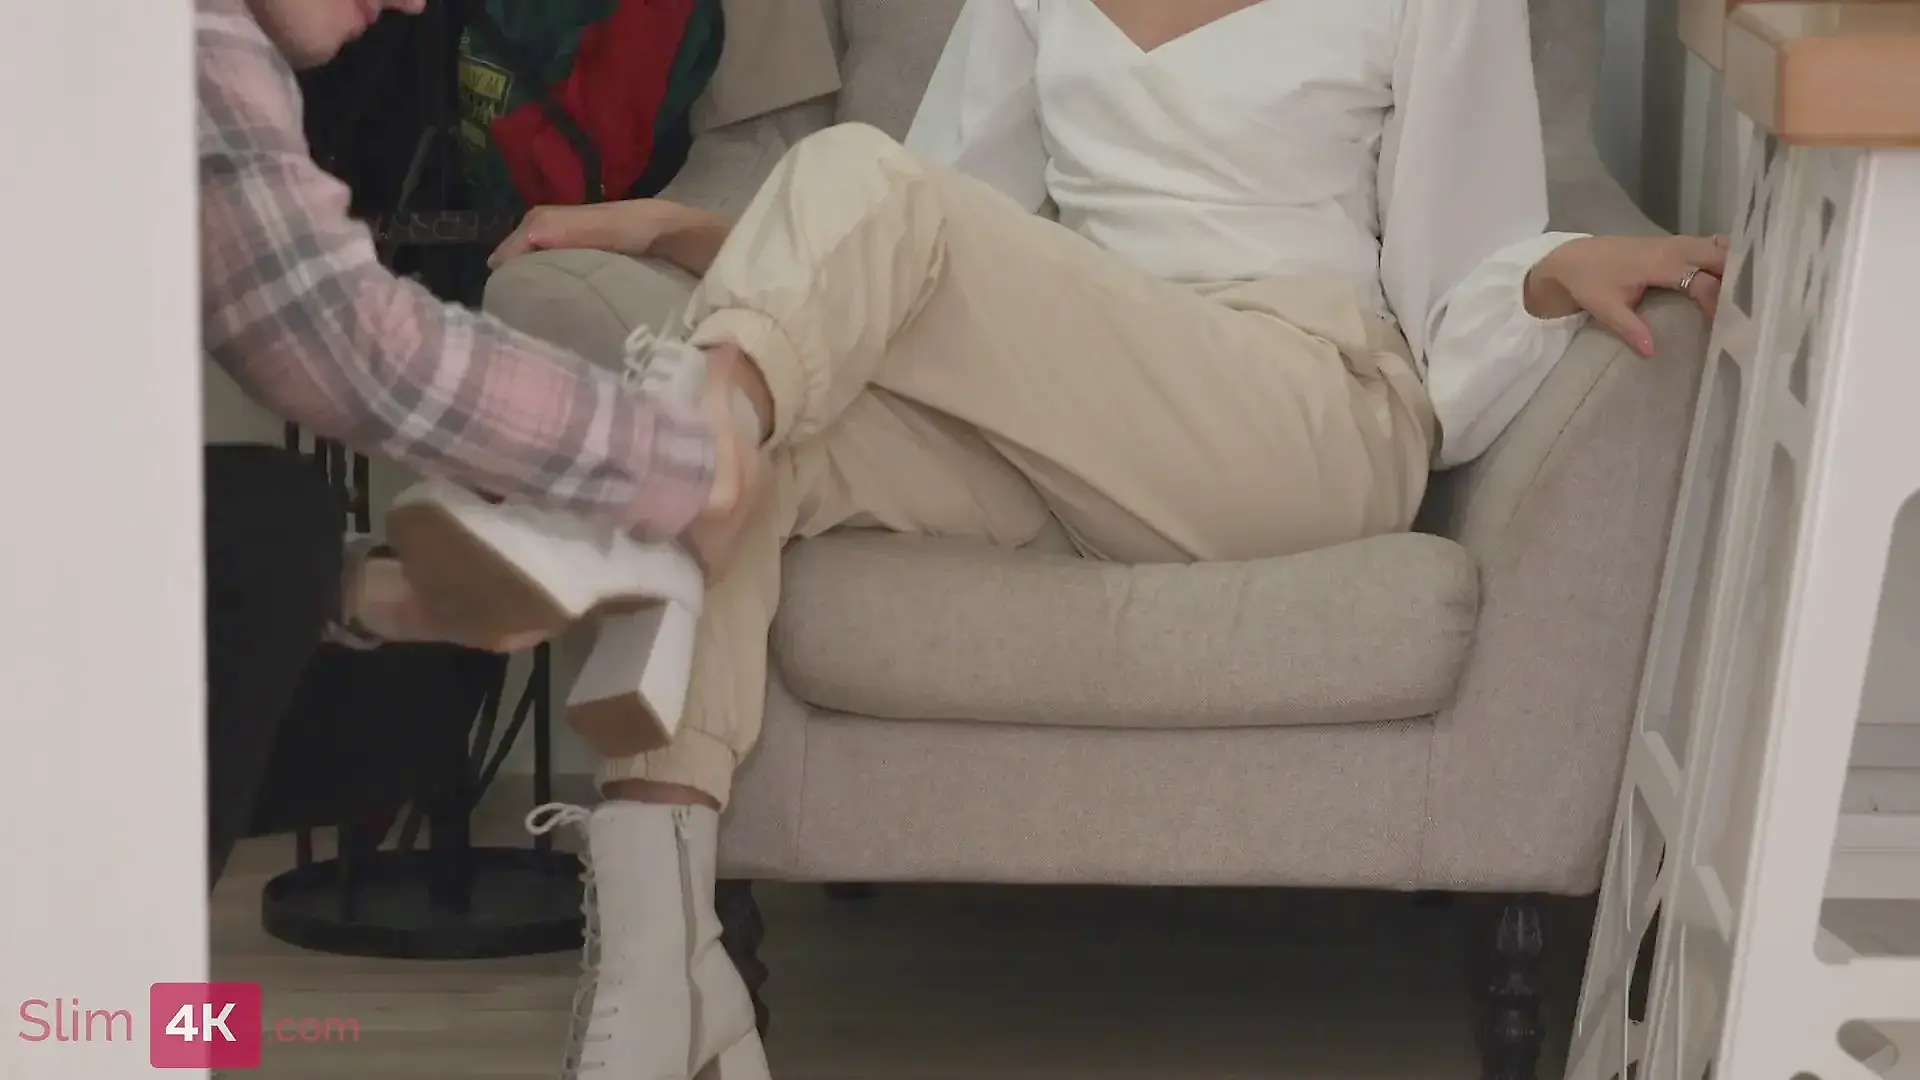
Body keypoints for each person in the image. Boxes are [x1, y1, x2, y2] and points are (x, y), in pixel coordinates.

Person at [383, 0, 1732, 1076]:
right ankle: (660, 977)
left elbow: (1461, 254)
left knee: (834, 198)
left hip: (1300, 409)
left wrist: (1553, 270)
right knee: (781, 441)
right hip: (1079, 416)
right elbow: (910, 243)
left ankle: (650, 472)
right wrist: (688, 231)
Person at [195, 0, 757, 936]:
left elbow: (86, 472)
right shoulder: (180, 40)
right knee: (276, 532)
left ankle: (95, 993)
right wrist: (680, 463)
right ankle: (90, 989)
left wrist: (366, 595)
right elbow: (347, 343)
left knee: (366, 651)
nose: (419, 5)